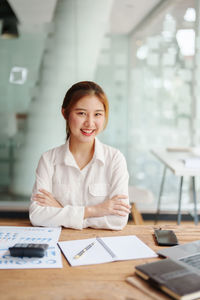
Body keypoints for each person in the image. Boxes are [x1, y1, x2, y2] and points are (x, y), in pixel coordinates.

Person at [29, 81, 130, 230]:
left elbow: (118, 220)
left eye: (97, 114)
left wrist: (60, 210)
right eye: (81, 113)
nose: (90, 123)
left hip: (100, 243)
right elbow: (37, 215)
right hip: (60, 242)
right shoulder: (48, 160)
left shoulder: (115, 159)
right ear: (65, 113)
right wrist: (94, 210)